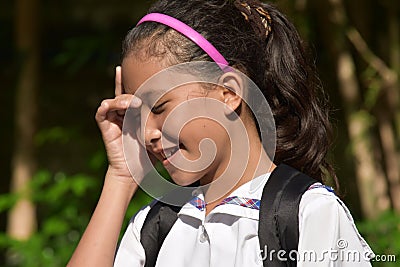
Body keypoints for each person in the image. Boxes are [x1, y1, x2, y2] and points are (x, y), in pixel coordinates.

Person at [68, 0, 374, 266]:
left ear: (228, 92)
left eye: (160, 108)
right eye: (136, 116)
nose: (146, 133)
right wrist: (121, 178)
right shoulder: (155, 227)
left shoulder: (307, 214)